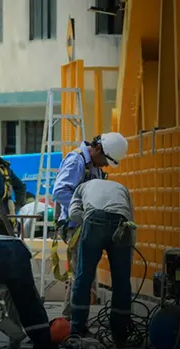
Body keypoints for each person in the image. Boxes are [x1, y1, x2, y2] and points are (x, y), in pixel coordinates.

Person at [52, 132, 128, 317]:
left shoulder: (94, 165)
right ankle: (71, 321)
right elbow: (60, 191)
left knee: (84, 274)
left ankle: (71, 318)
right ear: (98, 148)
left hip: (90, 224)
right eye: (105, 160)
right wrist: (84, 211)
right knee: (81, 274)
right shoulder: (76, 161)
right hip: (76, 225)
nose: (105, 165)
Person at [67, 178, 136, 346]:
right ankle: (120, 335)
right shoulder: (122, 187)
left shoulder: (81, 187)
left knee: (84, 277)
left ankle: (77, 330)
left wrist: (88, 221)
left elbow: (73, 213)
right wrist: (130, 253)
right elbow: (130, 216)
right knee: (121, 280)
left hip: (94, 219)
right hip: (122, 220)